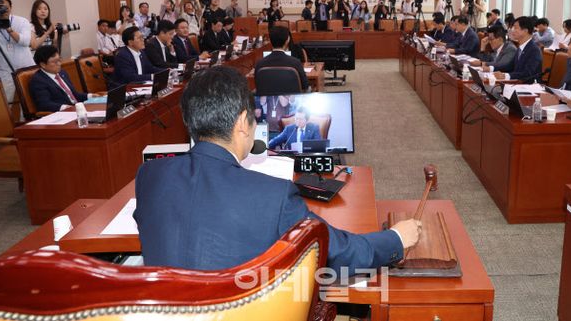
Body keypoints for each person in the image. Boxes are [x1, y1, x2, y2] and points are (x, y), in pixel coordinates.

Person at [133, 66, 421, 273]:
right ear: (243, 122)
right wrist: (395, 239)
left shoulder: (149, 176)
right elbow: (336, 252)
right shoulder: (274, 195)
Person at [0, 0, 35, 103]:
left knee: (30, 103)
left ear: (11, 7)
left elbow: (26, 42)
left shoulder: (22, 21)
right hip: (3, 71)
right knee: (4, 104)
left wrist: (8, 28)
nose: (2, 10)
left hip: (26, 68)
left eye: (4, 7)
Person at [29, 45, 94, 112]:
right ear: (43, 65)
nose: (59, 64)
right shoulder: (38, 81)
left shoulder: (62, 73)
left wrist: (91, 96)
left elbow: (74, 95)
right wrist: (65, 107)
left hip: (77, 109)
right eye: (55, 62)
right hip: (63, 113)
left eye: (59, 60)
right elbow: (44, 104)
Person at [254, 26, 309, 91]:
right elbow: (305, 86)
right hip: (291, 96)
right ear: (287, 40)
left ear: (270, 41)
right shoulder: (295, 63)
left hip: (268, 97)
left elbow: (258, 85)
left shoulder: (260, 64)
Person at [493, 16, 543, 83]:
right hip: (517, 82)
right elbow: (509, 66)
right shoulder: (520, 47)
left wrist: (506, 76)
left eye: (515, 28)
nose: (512, 30)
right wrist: (491, 68)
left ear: (525, 31)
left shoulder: (534, 50)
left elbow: (527, 73)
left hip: (529, 85)